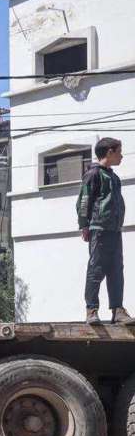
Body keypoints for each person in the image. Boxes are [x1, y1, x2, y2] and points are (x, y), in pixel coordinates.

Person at [77, 137, 132, 325]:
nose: (122, 156)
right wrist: (84, 225)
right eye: (119, 152)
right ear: (109, 152)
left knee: (116, 269)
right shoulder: (93, 174)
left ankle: (118, 310)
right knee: (96, 269)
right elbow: (84, 200)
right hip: (99, 229)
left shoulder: (114, 177)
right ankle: (91, 309)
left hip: (114, 230)